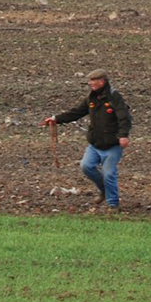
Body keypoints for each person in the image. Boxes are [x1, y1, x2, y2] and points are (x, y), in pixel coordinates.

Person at [40, 69, 132, 211]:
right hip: (95, 144)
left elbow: (124, 117)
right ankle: (104, 190)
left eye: (92, 81)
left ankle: (113, 204)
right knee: (86, 166)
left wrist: (123, 135)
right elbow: (76, 112)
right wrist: (55, 119)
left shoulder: (114, 97)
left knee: (109, 174)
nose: (90, 84)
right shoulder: (91, 98)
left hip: (113, 145)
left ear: (101, 82)